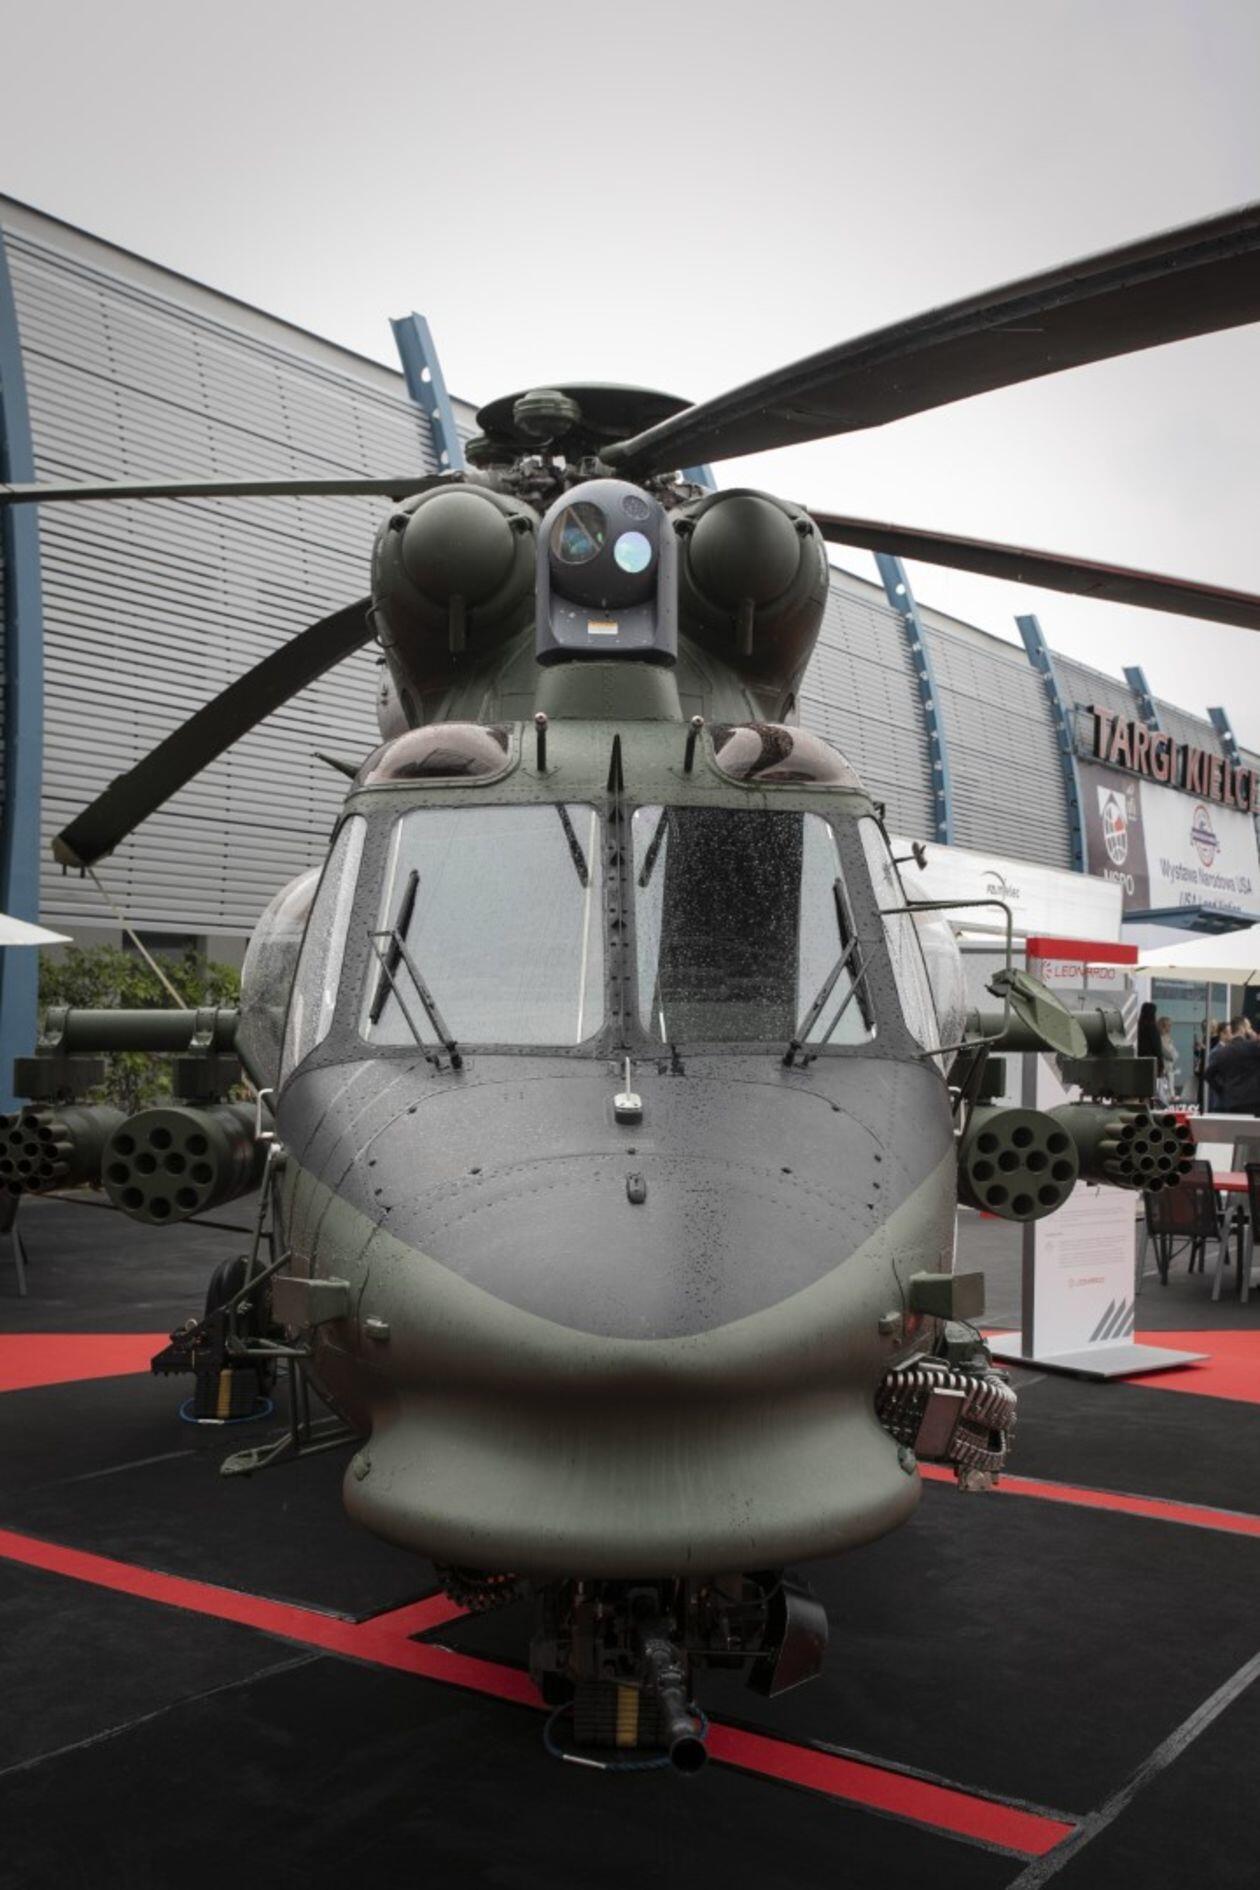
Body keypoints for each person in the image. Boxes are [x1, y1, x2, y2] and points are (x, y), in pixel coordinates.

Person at [1206, 1024, 1260, 1115]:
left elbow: (1208, 1074)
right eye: (1248, 1027)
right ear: (1242, 1029)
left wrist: (1222, 1089)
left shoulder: (1222, 1052)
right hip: (1253, 1100)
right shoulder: (1253, 1047)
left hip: (1232, 1101)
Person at [1156, 1015, 1180, 1103]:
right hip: (1164, 1067)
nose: (1170, 1028)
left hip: (1169, 1067)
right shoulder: (1160, 1038)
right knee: (1163, 1088)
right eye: (1168, 1026)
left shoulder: (1167, 1037)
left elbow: (1172, 1052)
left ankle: (1171, 1096)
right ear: (1163, 1026)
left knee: (1170, 1084)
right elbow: (1168, 1053)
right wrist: (1173, 1055)